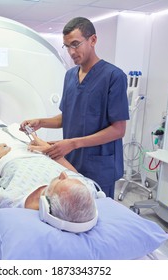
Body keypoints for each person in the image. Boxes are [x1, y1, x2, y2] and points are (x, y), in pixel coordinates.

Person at [20, 17, 129, 199]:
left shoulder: (114, 77)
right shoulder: (70, 76)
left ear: (93, 40)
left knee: (99, 214)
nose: (71, 52)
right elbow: (68, 117)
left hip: (99, 166)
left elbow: (118, 130)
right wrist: (41, 122)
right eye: (67, 46)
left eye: (75, 44)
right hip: (71, 161)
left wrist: (73, 143)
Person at [0, 115, 99, 224]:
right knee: (15, 127)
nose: (63, 174)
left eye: (62, 182)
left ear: (46, 203)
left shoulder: (13, 201)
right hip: (41, 153)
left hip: (8, 156)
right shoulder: (86, 191)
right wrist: (46, 148)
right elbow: (74, 173)